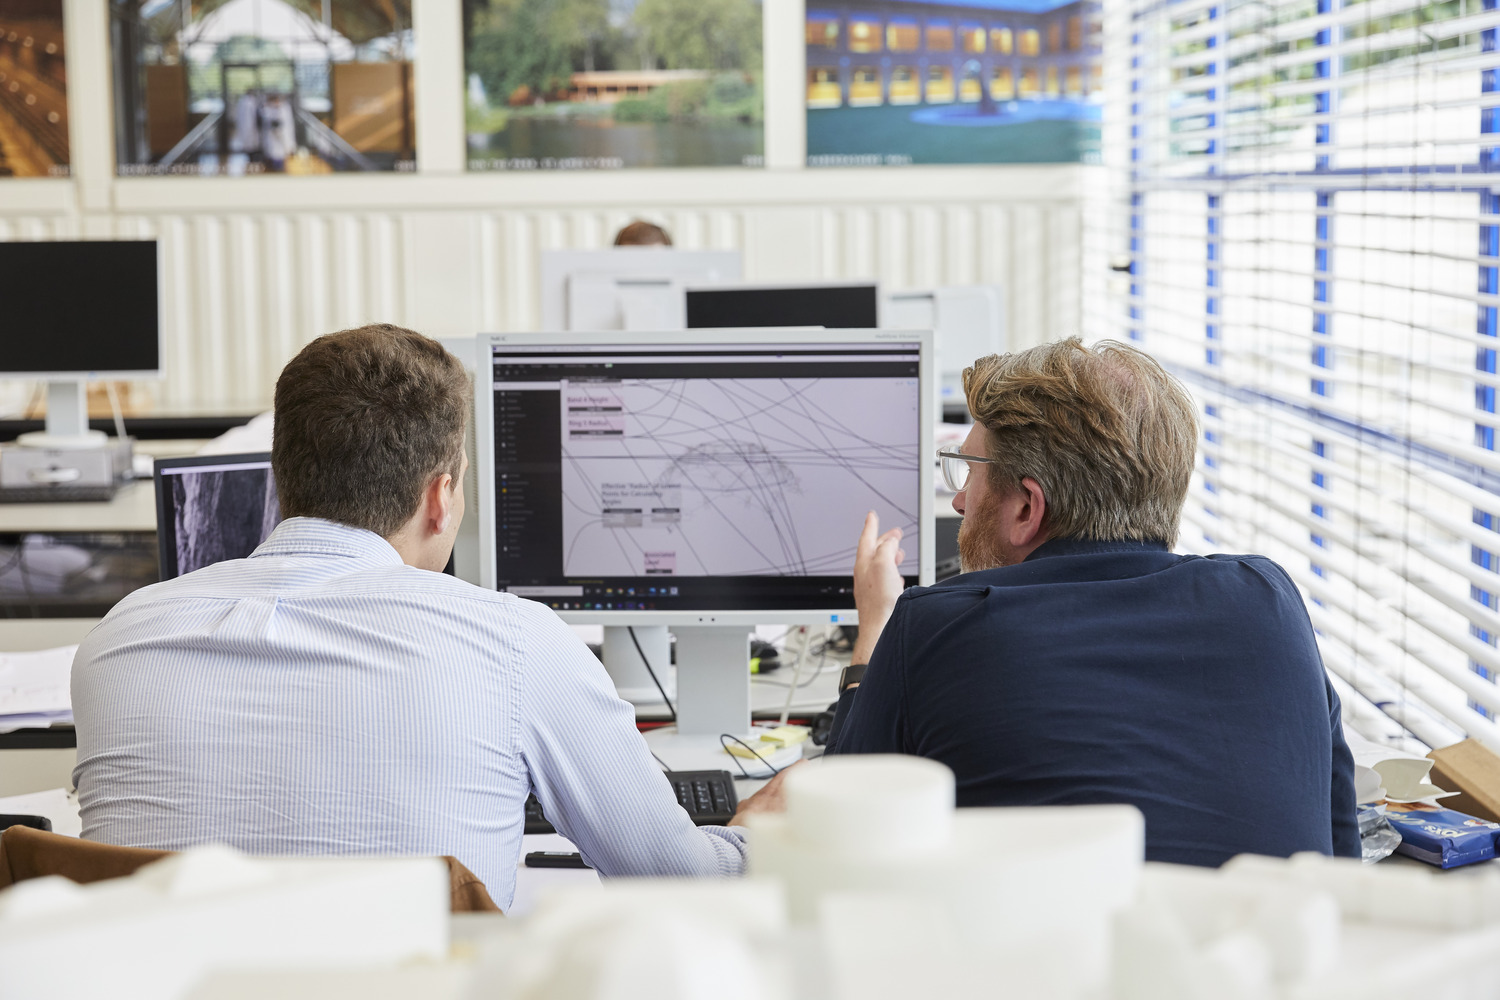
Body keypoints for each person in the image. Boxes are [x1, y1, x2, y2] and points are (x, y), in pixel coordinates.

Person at [72, 324, 789, 909]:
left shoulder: (119, 639)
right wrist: (760, 834)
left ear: (284, 476)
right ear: (441, 496)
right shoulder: (516, 642)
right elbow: (679, 885)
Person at [827, 338, 1359, 866]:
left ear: (1027, 509)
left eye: (969, 472)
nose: (961, 499)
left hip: (1046, 951)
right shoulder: (1268, 598)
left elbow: (833, 836)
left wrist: (874, 632)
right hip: (1274, 946)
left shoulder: (934, 624)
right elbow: (1340, 858)